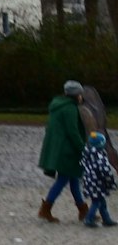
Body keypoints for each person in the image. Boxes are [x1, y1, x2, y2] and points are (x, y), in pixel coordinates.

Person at [43, 80, 91, 223]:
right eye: (80, 94)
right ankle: (46, 209)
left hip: (61, 149)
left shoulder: (57, 105)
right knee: (63, 179)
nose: (82, 97)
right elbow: (73, 132)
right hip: (67, 151)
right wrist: (83, 149)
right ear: (76, 95)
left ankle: (83, 211)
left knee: (74, 179)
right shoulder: (69, 108)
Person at [87, 132, 118, 227]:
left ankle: (106, 218)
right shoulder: (101, 158)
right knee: (97, 202)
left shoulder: (87, 153)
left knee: (101, 201)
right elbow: (105, 172)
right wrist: (111, 182)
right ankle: (89, 219)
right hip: (98, 184)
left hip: (89, 182)